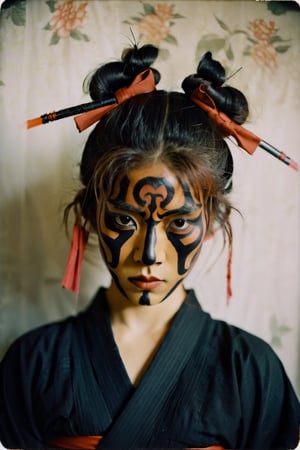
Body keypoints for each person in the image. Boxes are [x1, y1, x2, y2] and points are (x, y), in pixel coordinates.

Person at [0, 44, 299, 449]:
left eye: (178, 222)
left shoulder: (251, 369)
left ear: (210, 222)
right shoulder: (32, 364)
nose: (150, 253)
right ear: (91, 213)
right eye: (125, 219)